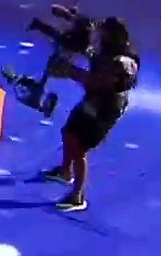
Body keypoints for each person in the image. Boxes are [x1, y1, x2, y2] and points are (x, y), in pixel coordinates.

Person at [41, 17, 140, 212]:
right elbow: (93, 57)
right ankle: (64, 171)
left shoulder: (123, 62)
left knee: (79, 147)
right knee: (69, 132)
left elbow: (98, 82)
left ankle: (77, 196)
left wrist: (69, 71)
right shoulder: (107, 52)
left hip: (105, 109)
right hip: (93, 101)